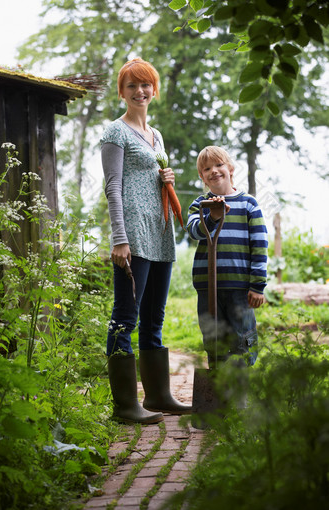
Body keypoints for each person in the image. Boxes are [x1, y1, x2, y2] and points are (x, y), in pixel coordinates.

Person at [100, 57, 191, 424]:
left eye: (146, 85)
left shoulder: (157, 136)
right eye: (132, 86)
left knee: (154, 319)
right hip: (133, 237)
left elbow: (146, 180)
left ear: (154, 89)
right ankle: (125, 406)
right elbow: (114, 186)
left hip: (161, 234)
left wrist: (163, 175)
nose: (140, 91)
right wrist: (119, 239)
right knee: (125, 318)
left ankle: (158, 396)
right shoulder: (114, 132)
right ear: (122, 92)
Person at [187, 146, 268, 370]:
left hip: (239, 287)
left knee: (241, 337)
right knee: (213, 339)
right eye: (207, 168)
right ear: (202, 176)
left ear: (230, 168)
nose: (214, 171)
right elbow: (193, 231)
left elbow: (259, 246)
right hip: (207, 286)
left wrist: (257, 286)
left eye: (219, 165)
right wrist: (212, 216)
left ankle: (239, 391)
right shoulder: (200, 204)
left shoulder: (248, 204)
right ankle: (218, 388)